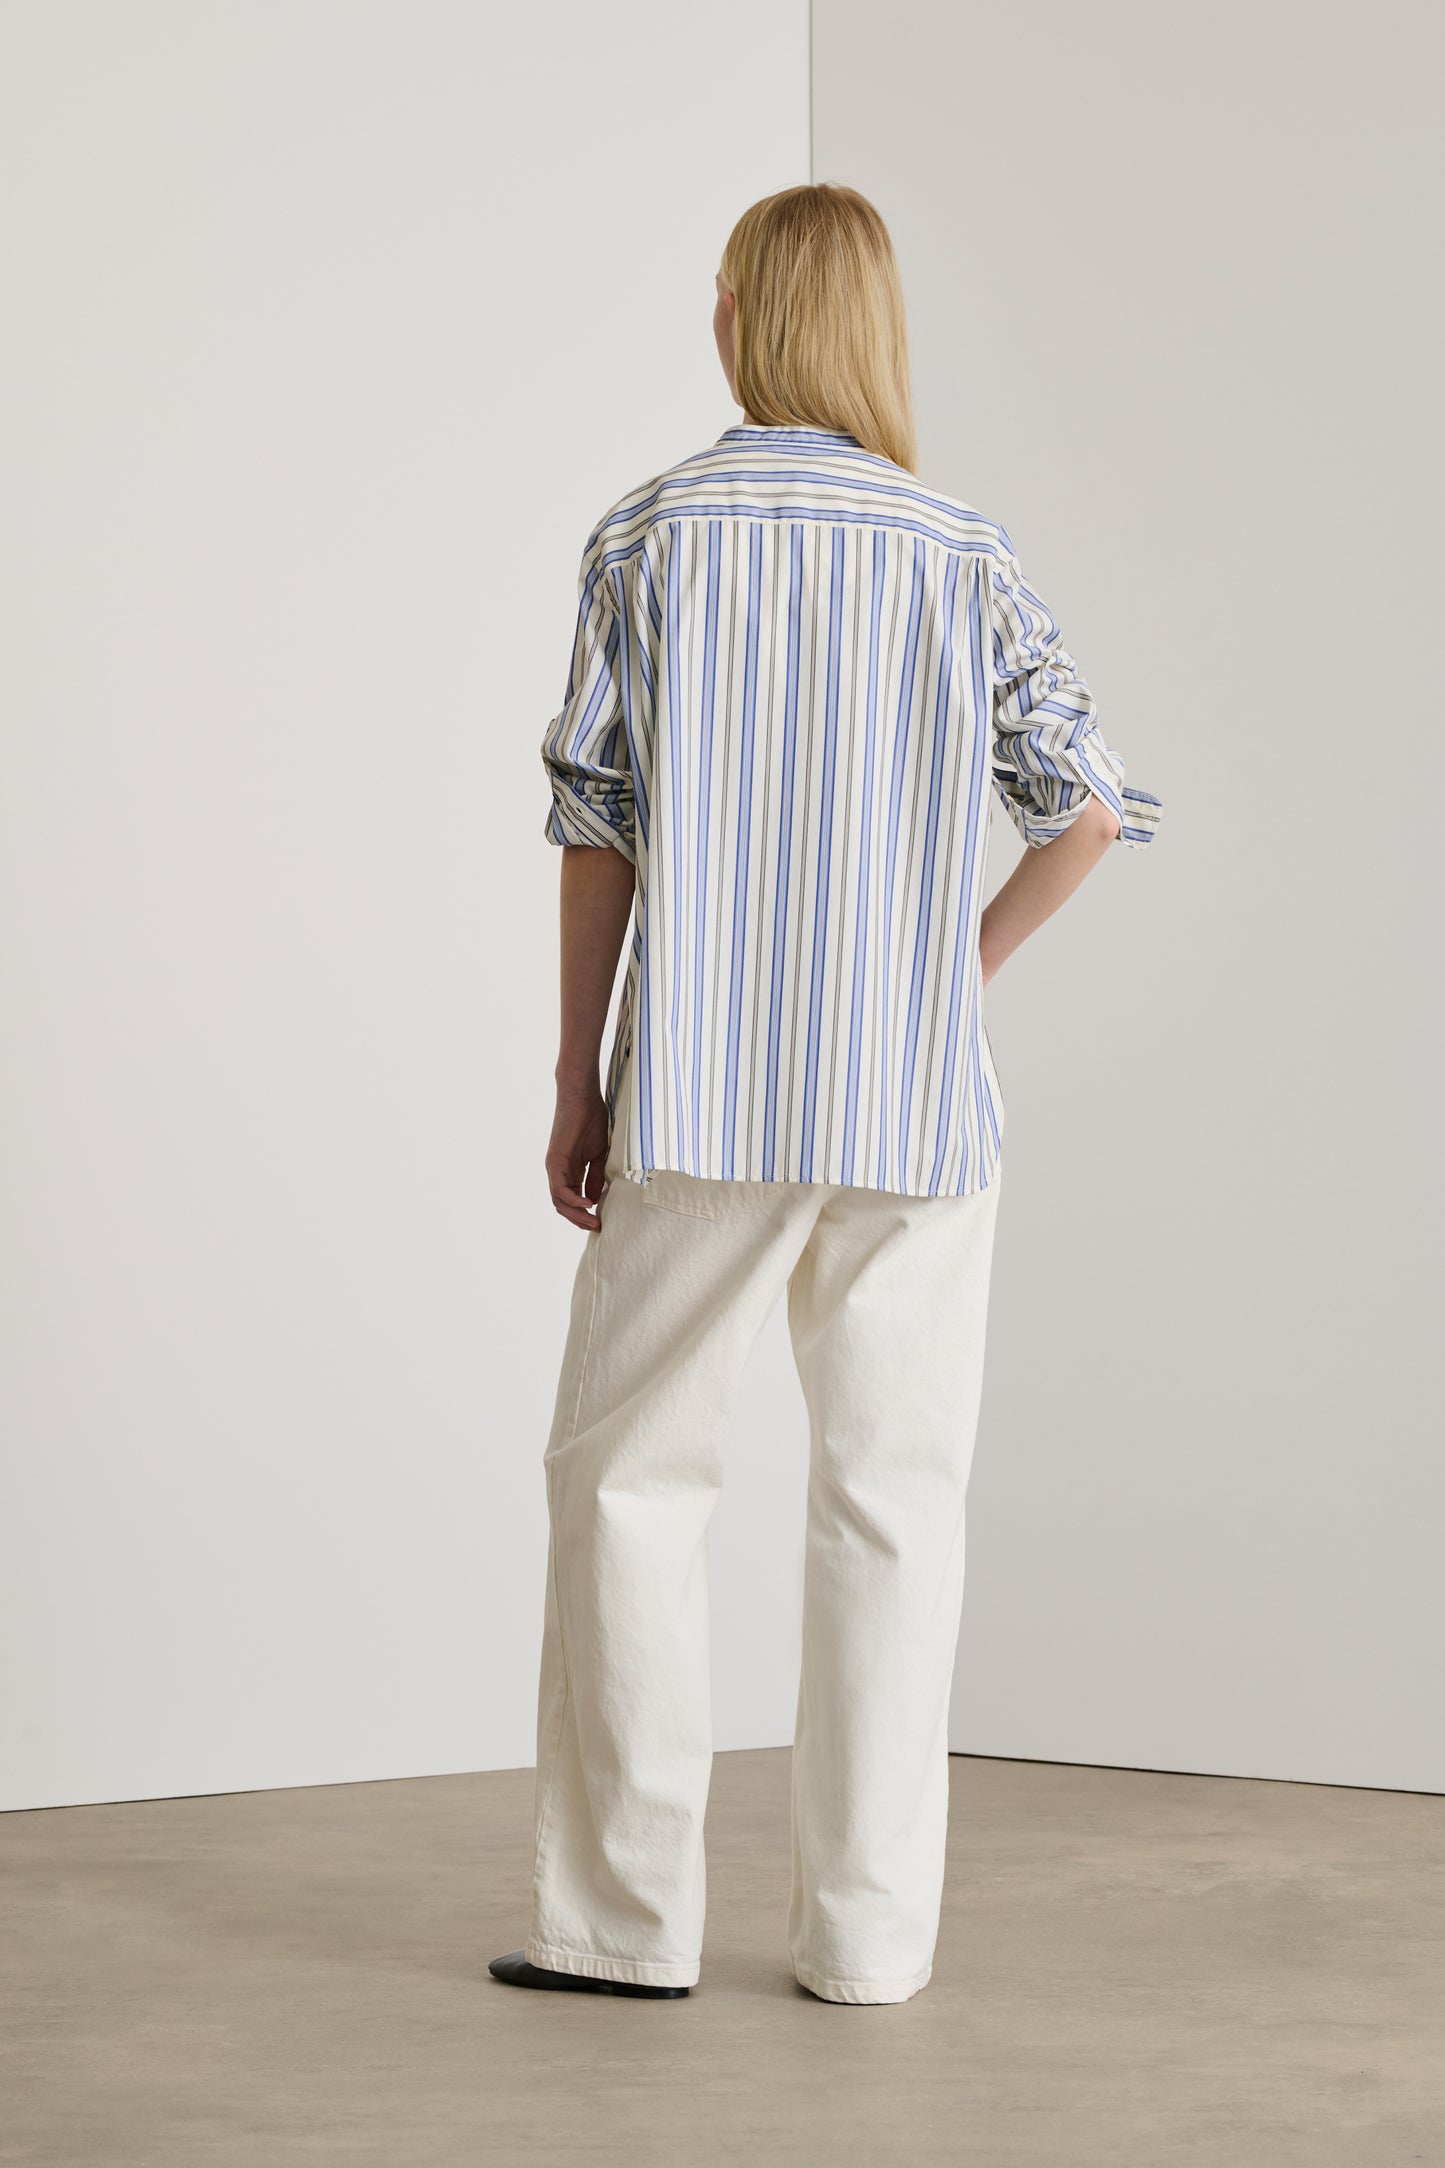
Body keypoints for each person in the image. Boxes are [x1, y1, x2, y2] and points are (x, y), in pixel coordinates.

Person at [490, 182, 1161, 2007]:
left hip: (700, 1098)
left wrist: (578, 1075)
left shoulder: (648, 533)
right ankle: (864, 1945)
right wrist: (950, 974)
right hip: (912, 1112)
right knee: (891, 1506)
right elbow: (1088, 804)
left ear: (736, 316)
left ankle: (625, 1929)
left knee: (631, 1486)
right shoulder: (961, 549)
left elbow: (595, 827)